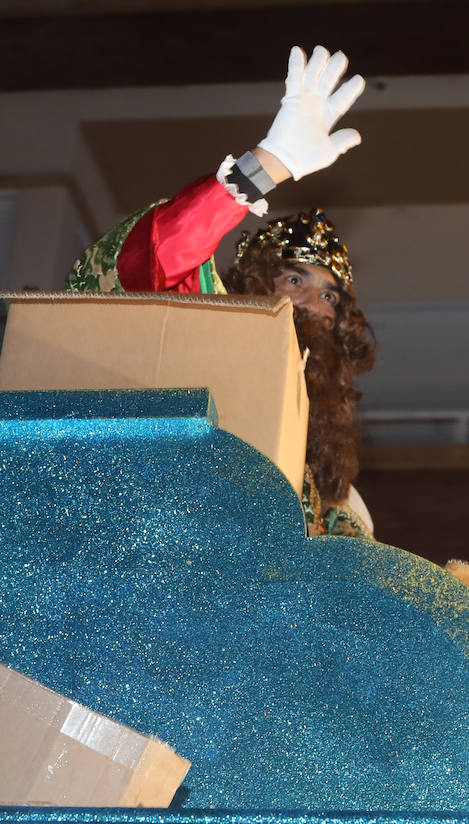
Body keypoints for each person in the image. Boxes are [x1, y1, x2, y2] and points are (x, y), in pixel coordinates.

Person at [67, 46, 378, 540]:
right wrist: (269, 165)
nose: (312, 305)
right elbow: (152, 256)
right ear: (257, 281)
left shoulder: (338, 499)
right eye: (295, 279)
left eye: (330, 297)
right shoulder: (205, 317)